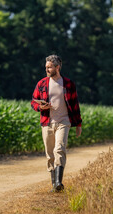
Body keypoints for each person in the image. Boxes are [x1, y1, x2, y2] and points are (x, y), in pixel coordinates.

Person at [31, 54, 82, 192]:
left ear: (57, 67)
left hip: (64, 122)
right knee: (50, 155)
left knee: (59, 149)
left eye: (49, 67)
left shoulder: (69, 84)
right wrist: (40, 107)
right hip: (47, 123)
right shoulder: (41, 84)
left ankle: (59, 182)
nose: (47, 70)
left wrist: (78, 124)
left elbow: (75, 104)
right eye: (46, 67)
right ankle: (54, 184)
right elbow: (33, 102)